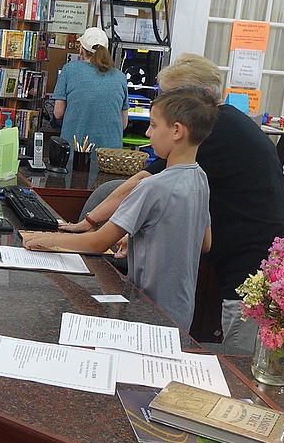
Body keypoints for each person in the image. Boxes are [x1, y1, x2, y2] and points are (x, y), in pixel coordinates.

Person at [59, 53, 284, 351]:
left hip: (265, 268)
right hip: (271, 255)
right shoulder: (229, 122)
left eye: (171, 97)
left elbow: (138, 185)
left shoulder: (208, 134)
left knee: (245, 371)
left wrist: (87, 224)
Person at [23, 86, 218, 330]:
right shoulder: (200, 178)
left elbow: (97, 243)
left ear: (177, 131)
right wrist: (144, 236)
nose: (148, 133)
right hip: (181, 313)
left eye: (154, 126)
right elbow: (204, 242)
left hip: (147, 311)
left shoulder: (153, 186)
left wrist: (46, 239)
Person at [53, 26, 129, 152]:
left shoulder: (69, 70)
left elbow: (58, 113)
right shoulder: (120, 77)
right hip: (110, 155)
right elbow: (123, 124)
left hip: (76, 152)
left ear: (81, 49)